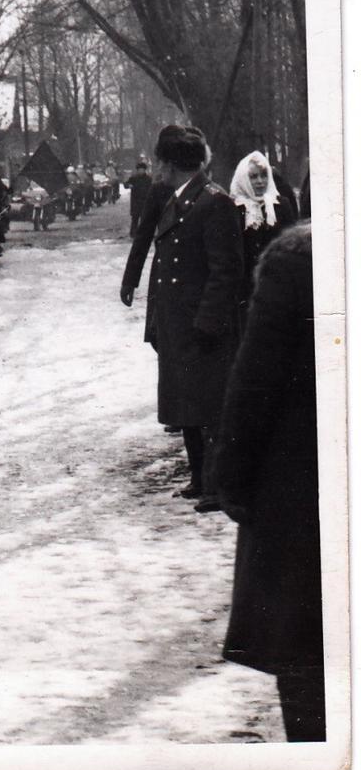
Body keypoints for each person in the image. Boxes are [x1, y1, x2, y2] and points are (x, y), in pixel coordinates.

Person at [215, 222, 324, 741]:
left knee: (308, 652)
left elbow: (255, 379)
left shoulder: (300, 258)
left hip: (305, 493)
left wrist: (231, 479)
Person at [119, 126, 242, 507]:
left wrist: (207, 324)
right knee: (187, 402)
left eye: (159, 161)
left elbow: (226, 271)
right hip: (178, 322)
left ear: (172, 164)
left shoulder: (214, 202)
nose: (155, 168)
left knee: (209, 407)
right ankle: (199, 477)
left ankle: (217, 485)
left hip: (200, 326)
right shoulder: (180, 198)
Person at [228, 150, 297, 305]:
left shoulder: (281, 205)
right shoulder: (234, 208)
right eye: (253, 177)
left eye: (264, 175)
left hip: (277, 286)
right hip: (244, 290)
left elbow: (291, 246)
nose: (260, 181)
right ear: (243, 179)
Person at [126, 159, 153, 237]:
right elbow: (126, 184)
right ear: (137, 170)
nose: (141, 171)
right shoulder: (133, 178)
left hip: (145, 200)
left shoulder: (148, 179)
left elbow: (151, 188)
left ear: (145, 170)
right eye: (139, 170)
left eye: (142, 170)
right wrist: (129, 185)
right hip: (135, 200)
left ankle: (143, 233)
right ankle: (133, 233)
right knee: (135, 218)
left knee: (144, 218)